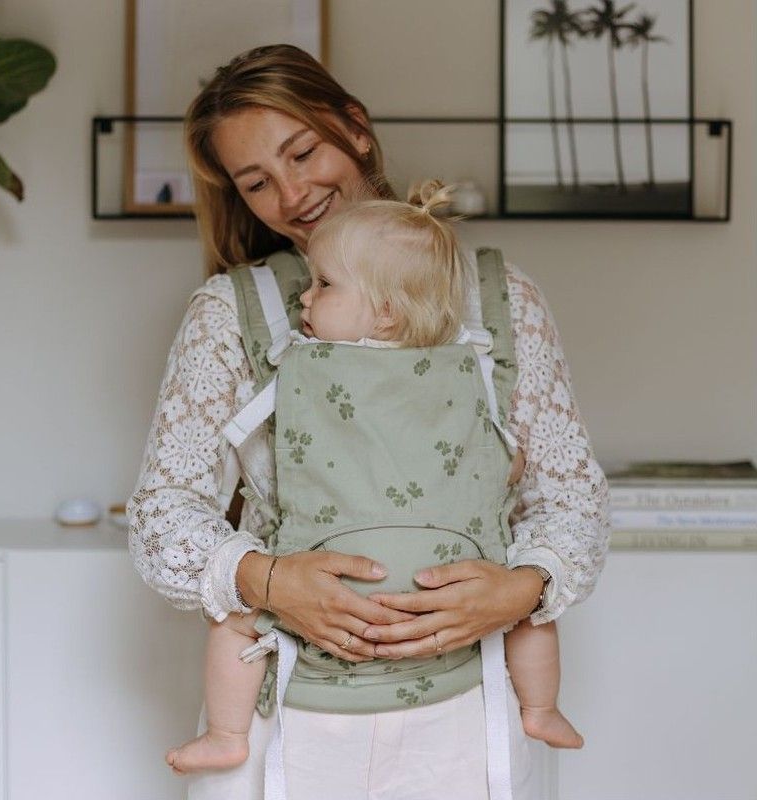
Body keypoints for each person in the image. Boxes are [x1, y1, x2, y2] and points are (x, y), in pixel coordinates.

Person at [127, 44, 609, 800]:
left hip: (470, 707)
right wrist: (269, 578)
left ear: (354, 127)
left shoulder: (500, 301)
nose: (292, 194)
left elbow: (572, 499)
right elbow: (162, 517)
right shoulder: (231, 313)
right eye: (258, 183)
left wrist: (520, 590)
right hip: (283, 703)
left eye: (303, 152)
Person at [164, 183, 583, 776]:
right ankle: (542, 706)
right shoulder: (466, 368)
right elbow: (508, 461)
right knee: (531, 616)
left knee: (236, 621)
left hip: (447, 671)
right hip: (375, 619)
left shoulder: (306, 367)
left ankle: (226, 732)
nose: (304, 300)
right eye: (254, 180)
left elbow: (561, 494)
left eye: (324, 286)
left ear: (386, 310)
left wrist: (523, 583)